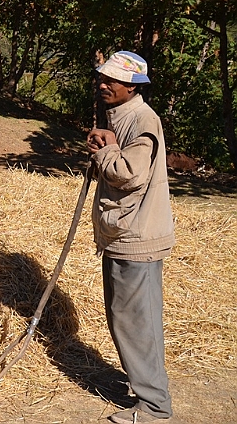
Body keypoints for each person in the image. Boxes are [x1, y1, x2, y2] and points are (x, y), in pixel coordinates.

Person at [86, 51, 176, 424]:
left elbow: (131, 173)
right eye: (102, 79)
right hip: (123, 233)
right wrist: (102, 146)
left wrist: (105, 150)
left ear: (133, 86)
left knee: (136, 320)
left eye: (113, 80)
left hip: (135, 235)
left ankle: (154, 406)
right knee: (125, 316)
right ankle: (145, 387)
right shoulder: (121, 117)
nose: (104, 85)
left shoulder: (141, 120)